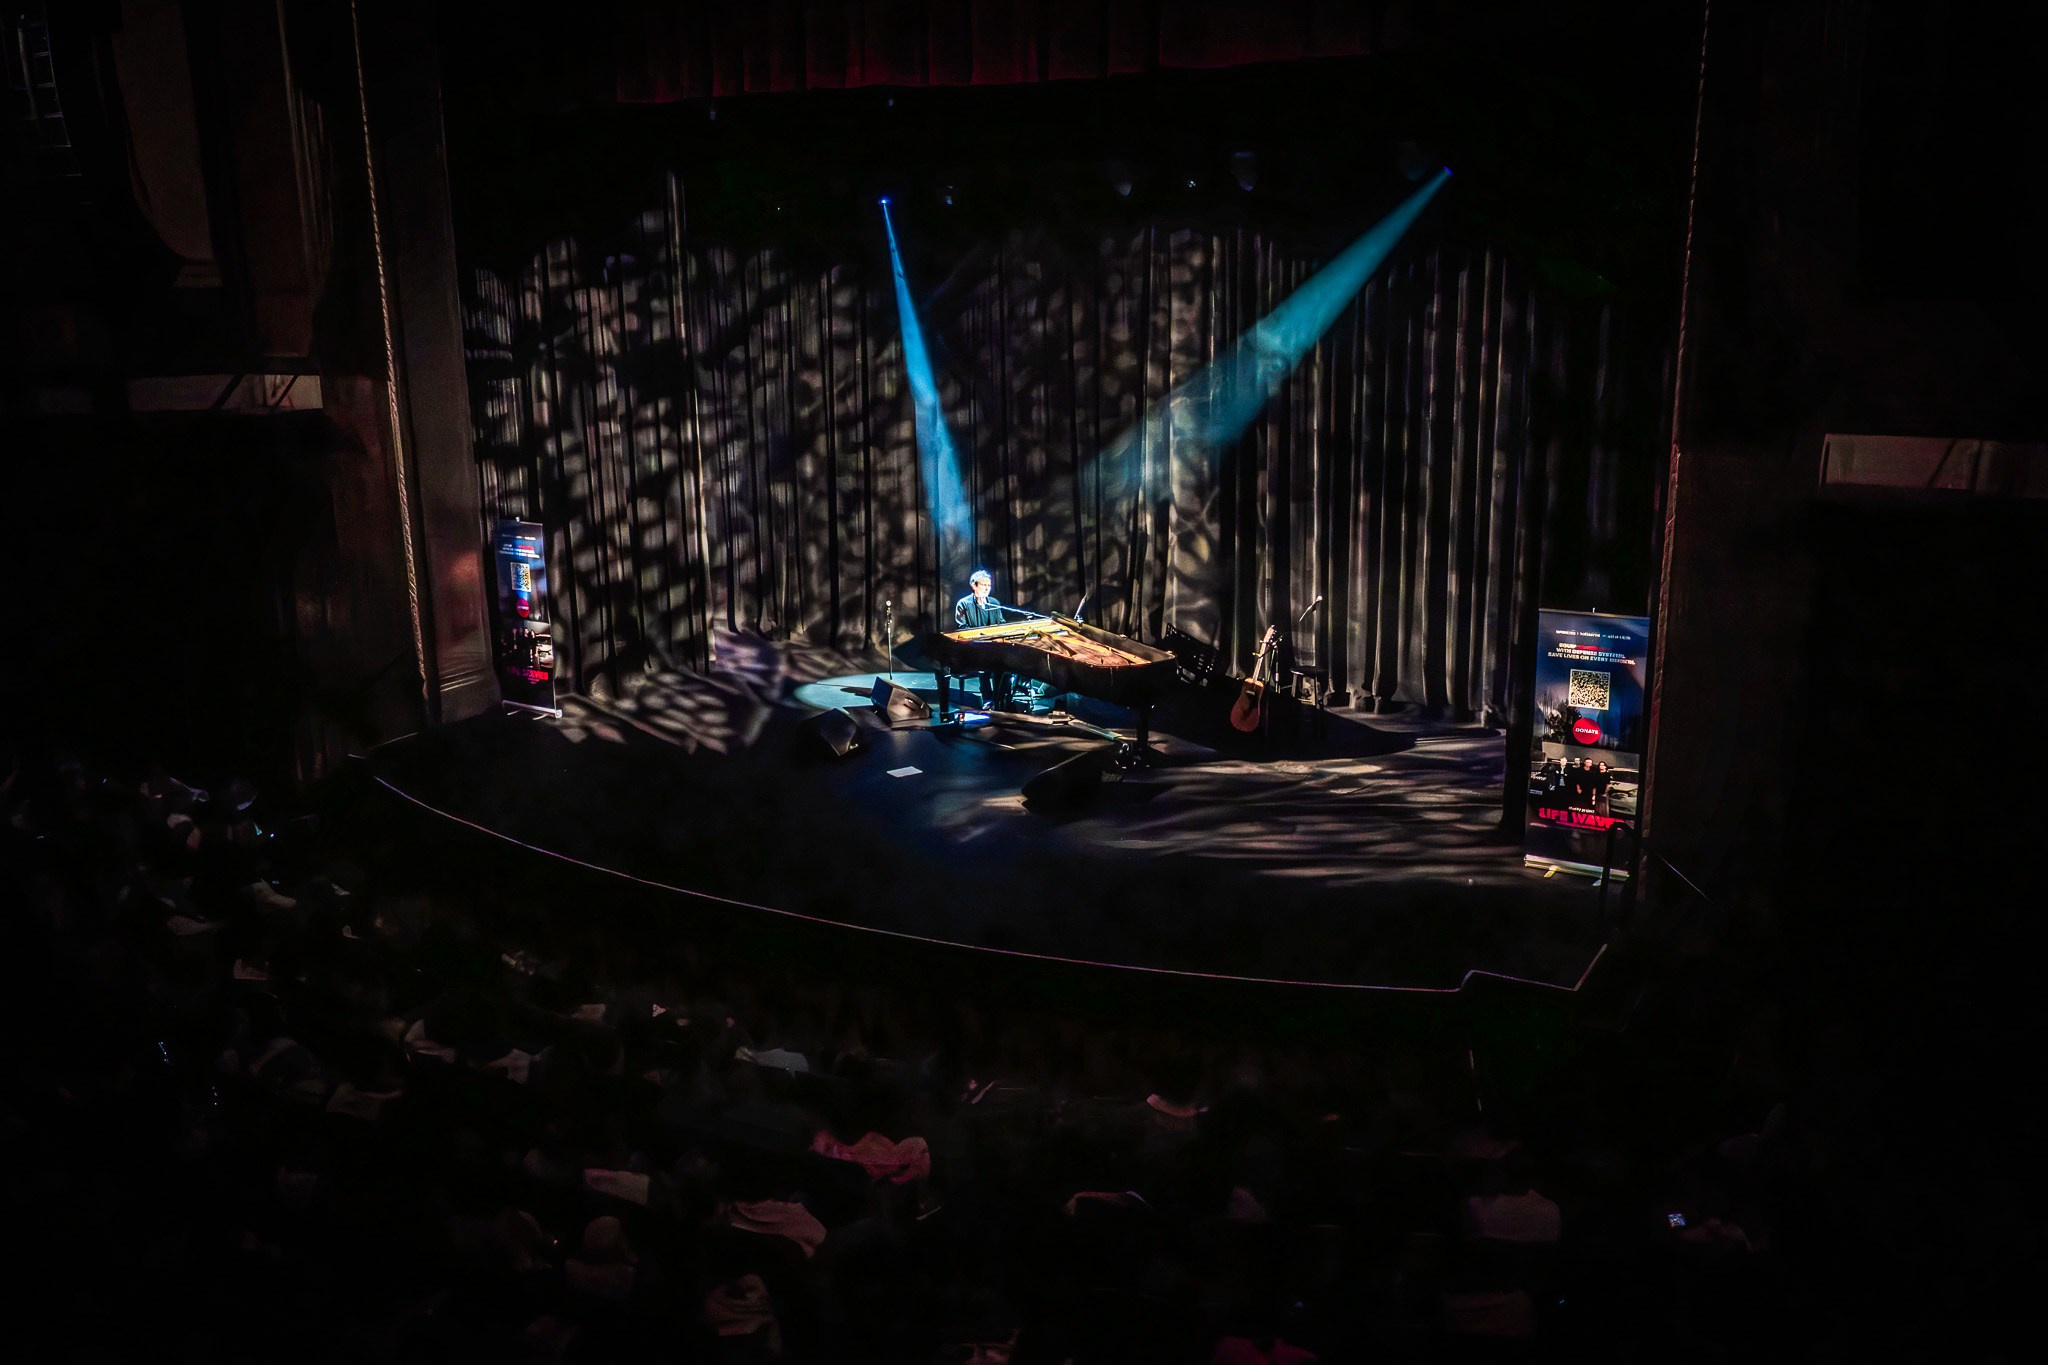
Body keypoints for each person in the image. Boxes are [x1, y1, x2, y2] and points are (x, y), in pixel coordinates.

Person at [953, 569, 1014, 709]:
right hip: (973, 648)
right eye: (983, 585)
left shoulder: (994, 603)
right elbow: (963, 627)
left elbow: (1001, 623)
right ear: (974, 586)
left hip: (993, 646)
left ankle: (1000, 697)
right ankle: (988, 699)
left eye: (989, 585)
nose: (987, 588)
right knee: (985, 664)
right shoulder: (964, 604)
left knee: (1005, 663)